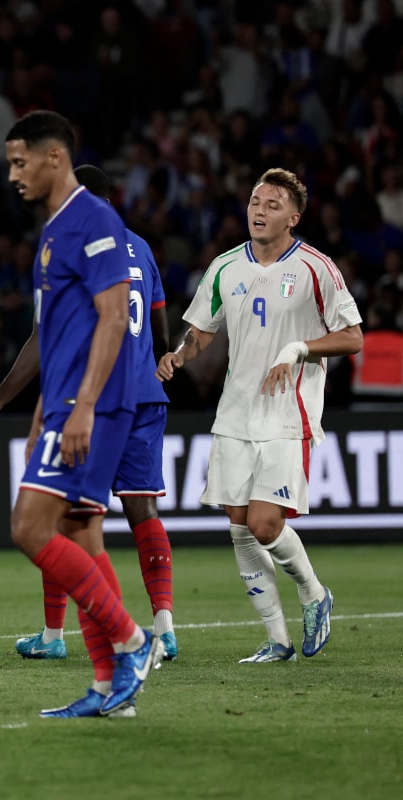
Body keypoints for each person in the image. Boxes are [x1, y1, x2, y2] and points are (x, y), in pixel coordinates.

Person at [0, 164, 179, 663]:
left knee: (59, 518)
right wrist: (155, 362)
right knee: (140, 508)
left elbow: (46, 338)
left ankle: (62, 637)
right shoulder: (139, 246)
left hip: (91, 398)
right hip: (142, 394)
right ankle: (161, 626)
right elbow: (159, 328)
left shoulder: (74, 243)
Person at [0, 111, 162, 718]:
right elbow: (61, 334)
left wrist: (83, 405)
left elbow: (114, 317)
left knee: (28, 528)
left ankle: (132, 640)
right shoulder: (54, 230)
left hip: (96, 404)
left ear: (54, 158)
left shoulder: (95, 220)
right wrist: (41, 409)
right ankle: (110, 688)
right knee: (80, 536)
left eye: (19, 161)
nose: (13, 174)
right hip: (64, 403)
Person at [157, 167, 362, 663]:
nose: (260, 209)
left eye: (273, 204)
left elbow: (352, 337)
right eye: (255, 200)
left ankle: (314, 593)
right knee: (239, 524)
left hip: (287, 413)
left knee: (265, 525)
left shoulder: (316, 267)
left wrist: (298, 348)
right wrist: (180, 355)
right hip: (236, 412)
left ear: (293, 217)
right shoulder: (226, 266)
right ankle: (278, 640)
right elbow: (201, 331)